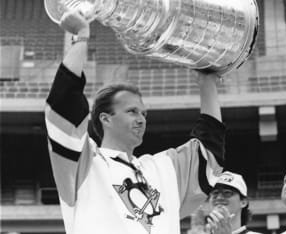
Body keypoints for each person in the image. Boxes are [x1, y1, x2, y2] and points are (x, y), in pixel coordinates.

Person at [45, 10, 226, 234]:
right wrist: (81, 38)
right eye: (132, 111)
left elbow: (210, 150)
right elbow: (64, 106)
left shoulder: (163, 169)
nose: (141, 119)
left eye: (144, 114)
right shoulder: (85, 162)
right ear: (105, 118)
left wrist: (207, 82)